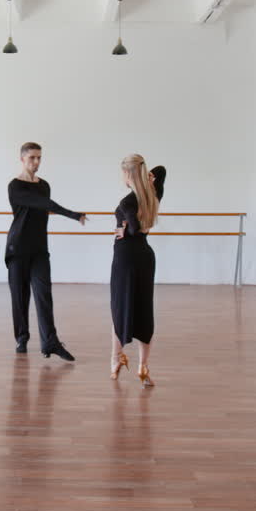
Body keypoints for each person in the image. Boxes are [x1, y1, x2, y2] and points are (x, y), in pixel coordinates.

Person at [6, 142, 86, 360]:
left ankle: (50, 342)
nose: (37, 162)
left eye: (39, 157)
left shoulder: (45, 185)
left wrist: (71, 214)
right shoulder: (15, 187)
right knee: (20, 296)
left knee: (44, 295)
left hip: (40, 249)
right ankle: (22, 338)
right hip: (17, 248)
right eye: (32, 157)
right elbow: (42, 203)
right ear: (22, 159)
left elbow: (44, 203)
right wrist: (72, 214)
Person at [109, 155, 166, 386]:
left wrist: (125, 230)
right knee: (143, 310)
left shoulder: (127, 202)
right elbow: (162, 170)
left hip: (125, 258)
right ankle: (143, 367)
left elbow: (133, 227)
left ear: (128, 175)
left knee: (119, 307)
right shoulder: (153, 194)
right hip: (145, 256)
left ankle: (116, 358)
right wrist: (149, 178)